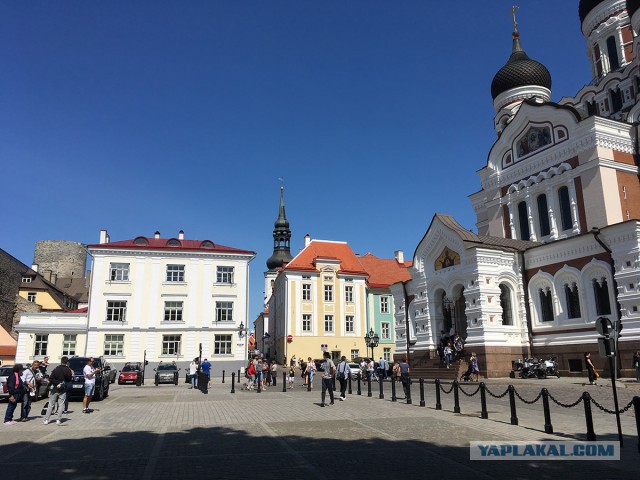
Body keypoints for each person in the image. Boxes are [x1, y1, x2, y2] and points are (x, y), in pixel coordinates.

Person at [43, 356, 73, 425]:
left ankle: (46, 420)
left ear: (61, 361)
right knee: (61, 405)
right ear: (67, 362)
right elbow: (69, 379)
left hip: (54, 388)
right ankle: (58, 420)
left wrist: (57, 383)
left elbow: (51, 378)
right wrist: (61, 383)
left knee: (51, 404)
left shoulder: (56, 369)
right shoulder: (68, 370)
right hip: (63, 389)